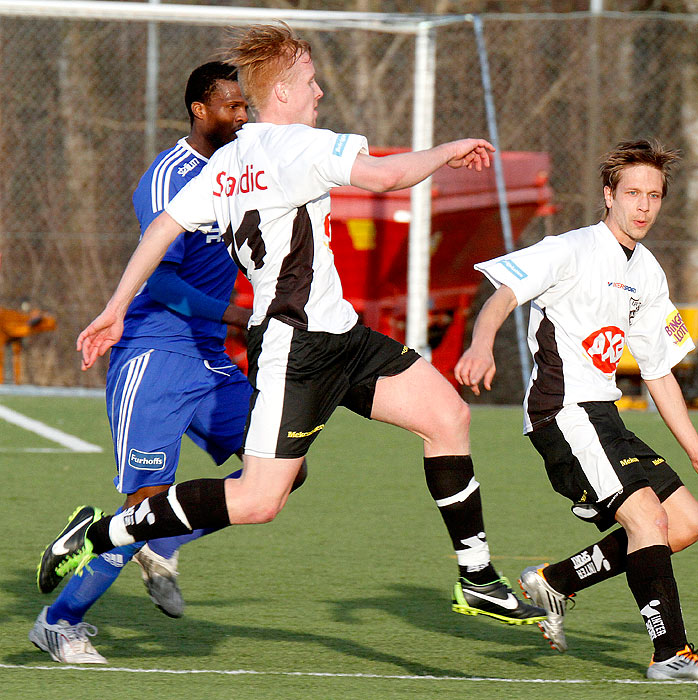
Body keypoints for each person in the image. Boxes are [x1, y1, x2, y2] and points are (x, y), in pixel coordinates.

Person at [37, 22, 545, 637]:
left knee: (448, 416)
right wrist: (448, 150)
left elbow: (162, 228)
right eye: (310, 81)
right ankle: (105, 532)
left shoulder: (228, 162)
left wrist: (116, 304)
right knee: (259, 501)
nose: (320, 92)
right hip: (295, 348)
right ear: (282, 93)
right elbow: (384, 177)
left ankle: (476, 577)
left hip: (343, 338)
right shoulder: (294, 145)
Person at [30, 61, 310, 664]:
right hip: (154, 356)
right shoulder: (169, 178)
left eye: (245, 106)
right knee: (143, 503)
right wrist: (243, 318)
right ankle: (58, 623)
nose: (242, 115)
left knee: (285, 470)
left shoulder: (243, 168)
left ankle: (164, 535)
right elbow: (162, 286)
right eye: (231, 106)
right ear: (199, 111)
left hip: (210, 361)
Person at [453, 140, 698, 681]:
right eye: (632, 193)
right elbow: (502, 294)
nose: (643, 206)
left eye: (654, 196)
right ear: (608, 195)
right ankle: (670, 655)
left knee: (684, 522)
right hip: (562, 412)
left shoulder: (650, 273)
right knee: (647, 518)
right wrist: (481, 343)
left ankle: (557, 581)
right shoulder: (570, 249)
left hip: (604, 416)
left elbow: (659, 370)